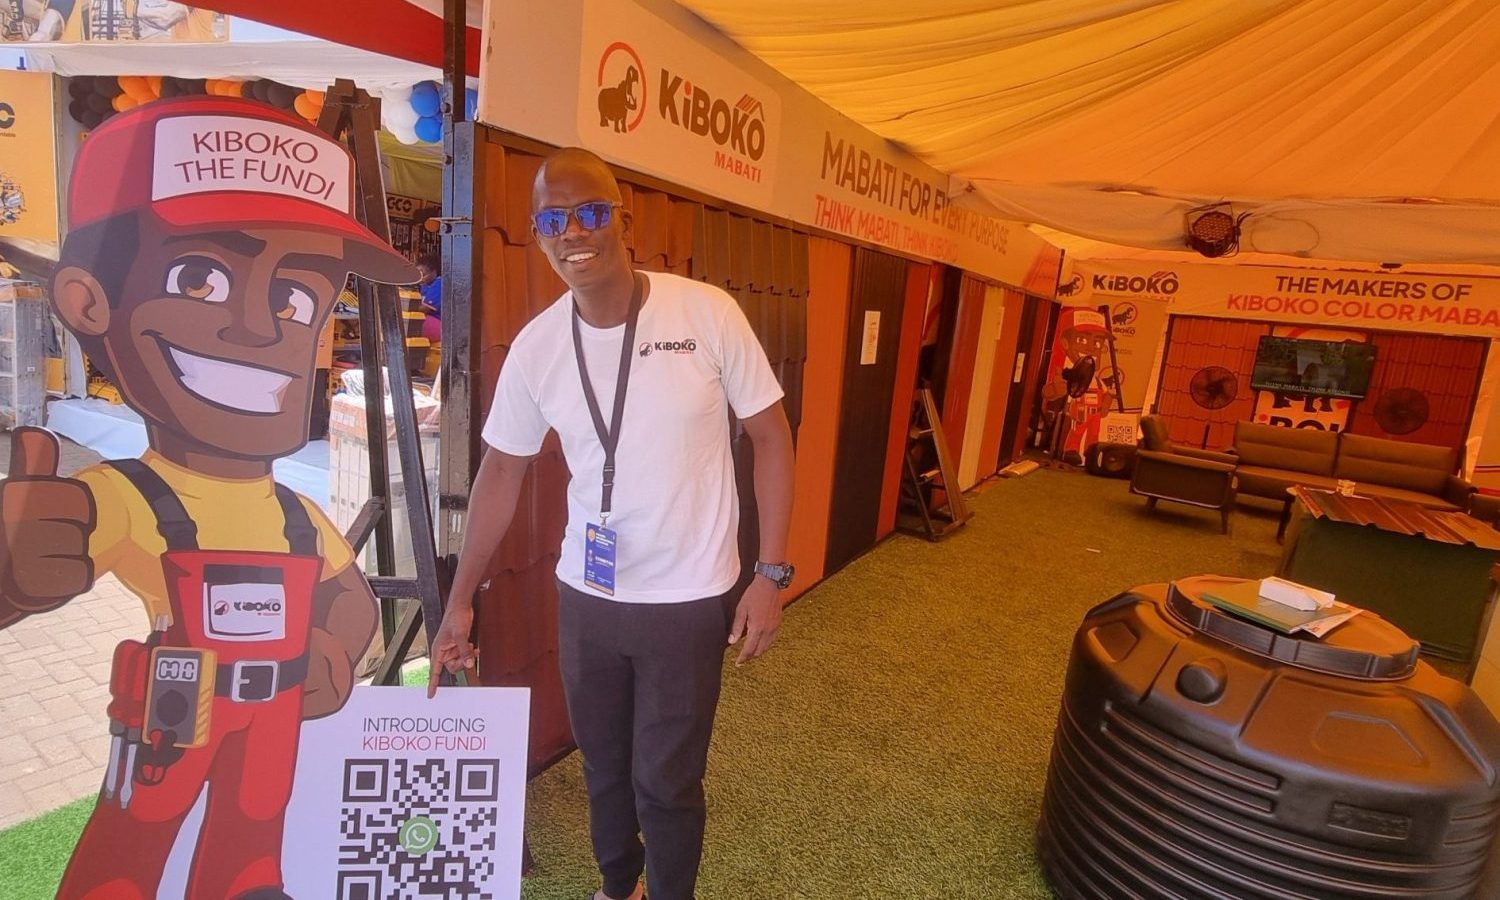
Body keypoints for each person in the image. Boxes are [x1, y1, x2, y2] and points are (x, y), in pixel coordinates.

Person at [0, 94, 417, 898]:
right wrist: (21, 565)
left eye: (296, 300)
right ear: (89, 302)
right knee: (129, 851)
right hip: (173, 712)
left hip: (272, 725)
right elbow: (41, 559)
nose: (262, 329)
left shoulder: (296, 517)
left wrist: (333, 650)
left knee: (251, 856)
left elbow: (347, 602)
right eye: (200, 278)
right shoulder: (129, 496)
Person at [428, 147, 796, 900]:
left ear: (622, 221)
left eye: (590, 212)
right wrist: (460, 600)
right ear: (538, 235)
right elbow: (501, 472)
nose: (574, 233)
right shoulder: (537, 347)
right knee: (602, 764)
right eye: (552, 220)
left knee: (666, 777)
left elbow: (771, 437)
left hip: (688, 597)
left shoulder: (705, 313)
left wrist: (771, 572)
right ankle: (617, 883)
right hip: (589, 598)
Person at [417, 251, 443, 343]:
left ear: (434, 272)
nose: (421, 278)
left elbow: (424, 309)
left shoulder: (439, 284)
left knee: (412, 324)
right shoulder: (425, 285)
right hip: (429, 320)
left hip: (438, 323)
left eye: (423, 275)